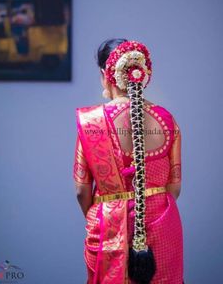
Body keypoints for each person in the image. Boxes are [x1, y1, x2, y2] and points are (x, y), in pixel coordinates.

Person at [73, 39, 184, 284]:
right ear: (141, 73)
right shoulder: (167, 119)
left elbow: (82, 191)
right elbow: (174, 187)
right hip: (162, 223)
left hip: (109, 224)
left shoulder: (92, 122)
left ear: (105, 74)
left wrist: (105, 210)